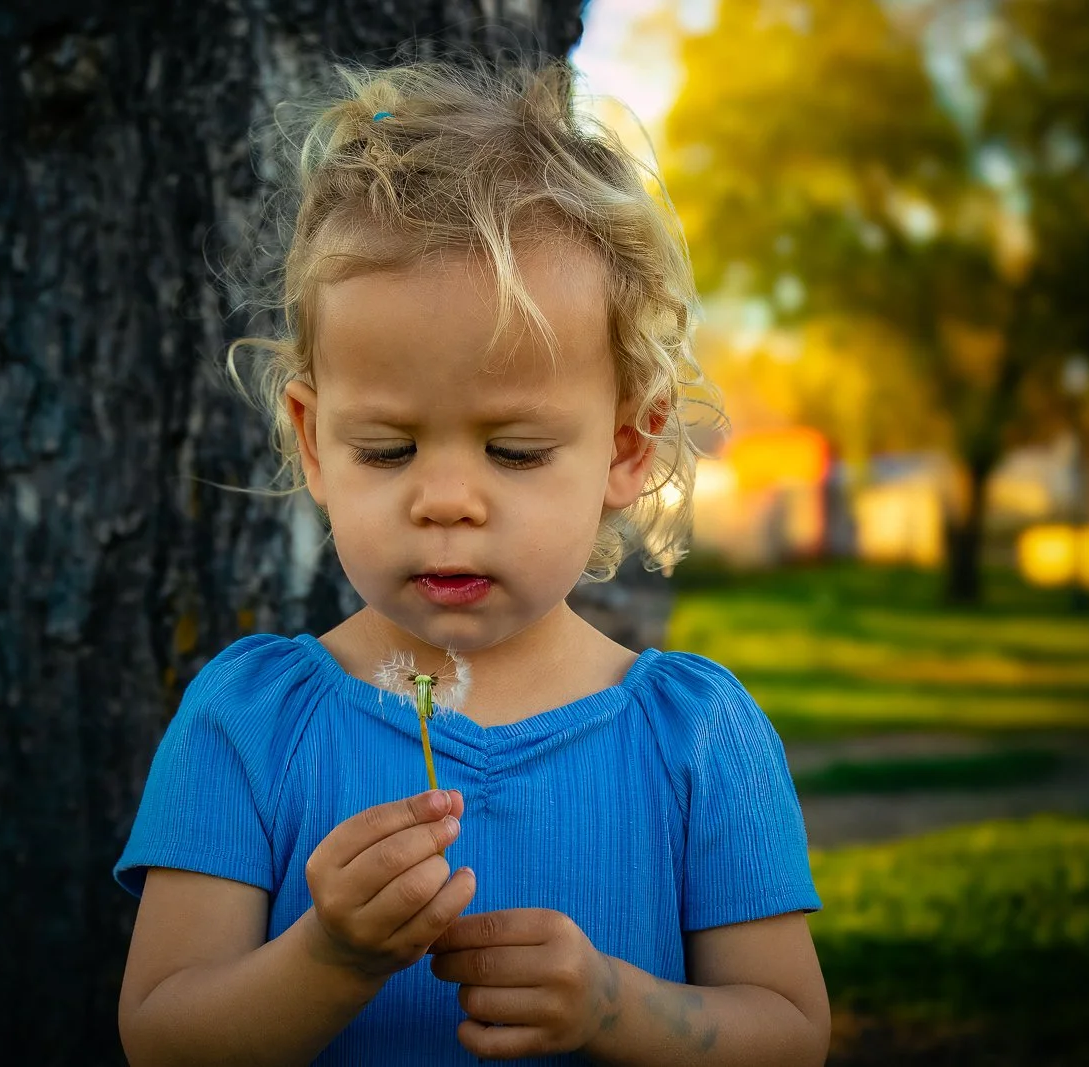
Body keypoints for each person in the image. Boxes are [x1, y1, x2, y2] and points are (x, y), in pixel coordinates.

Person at [112, 53, 828, 1066]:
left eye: (515, 449)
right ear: (313, 442)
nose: (445, 498)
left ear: (625, 447)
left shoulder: (699, 739)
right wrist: (331, 955)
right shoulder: (249, 723)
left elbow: (793, 1033)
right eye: (388, 448)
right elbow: (160, 1037)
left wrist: (612, 1006)